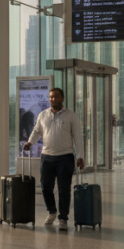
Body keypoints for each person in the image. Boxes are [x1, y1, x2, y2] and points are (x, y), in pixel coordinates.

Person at [22, 87, 84, 231]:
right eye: (50, 97)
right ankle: (52, 212)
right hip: (47, 157)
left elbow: (78, 138)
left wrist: (80, 156)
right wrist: (30, 142)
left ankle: (63, 217)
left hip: (65, 157)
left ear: (62, 98)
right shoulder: (43, 115)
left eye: (55, 97)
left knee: (63, 189)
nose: (52, 99)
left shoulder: (71, 116)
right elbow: (37, 131)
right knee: (45, 187)